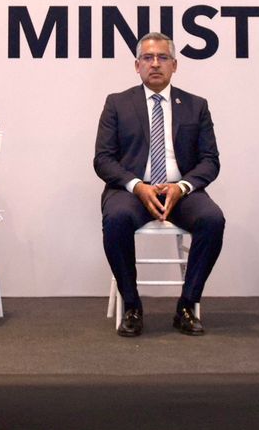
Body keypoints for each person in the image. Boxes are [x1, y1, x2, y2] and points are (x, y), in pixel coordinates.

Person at [93, 32, 225, 337]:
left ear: (174, 65)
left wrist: (182, 187)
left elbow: (210, 160)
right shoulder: (117, 104)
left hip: (181, 190)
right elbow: (103, 159)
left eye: (163, 58)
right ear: (137, 65)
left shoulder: (196, 106)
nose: (155, 64)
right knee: (116, 219)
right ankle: (132, 305)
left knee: (212, 220)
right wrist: (137, 186)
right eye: (148, 58)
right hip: (133, 191)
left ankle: (187, 305)